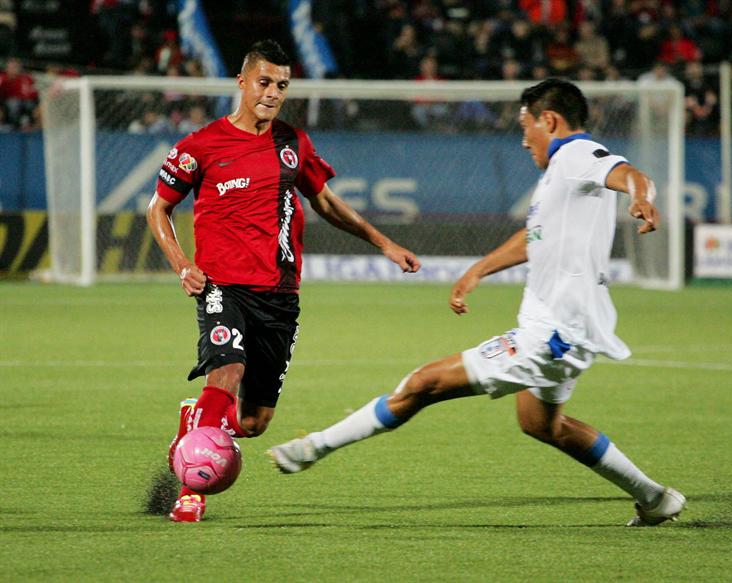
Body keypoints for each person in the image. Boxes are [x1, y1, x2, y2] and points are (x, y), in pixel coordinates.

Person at [269, 78, 686, 527]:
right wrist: (477, 270)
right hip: (566, 329)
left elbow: (632, 176)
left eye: (527, 127)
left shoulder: (577, 156)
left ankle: (313, 448)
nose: (524, 139)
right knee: (541, 424)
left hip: (551, 335)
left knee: (421, 383)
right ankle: (655, 498)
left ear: (550, 120)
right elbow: (535, 237)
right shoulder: (563, 175)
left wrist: (641, 198)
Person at [146, 40, 420, 522]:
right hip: (222, 287)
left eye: (282, 85)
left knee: (253, 423)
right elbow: (159, 208)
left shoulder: (293, 143)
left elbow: (328, 204)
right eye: (264, 82)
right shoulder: (200, 146)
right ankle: (191, 492)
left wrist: (383, 243)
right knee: (225, 374)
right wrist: (182, 264)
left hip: (280, 295)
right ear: (242, 82)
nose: (272, 93)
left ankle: (198, 420)